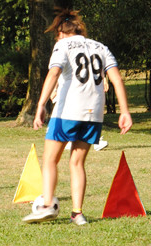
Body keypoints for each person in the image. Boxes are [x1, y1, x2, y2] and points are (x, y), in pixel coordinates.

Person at [22, 9, 132, 225]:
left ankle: (46, 206)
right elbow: (117, 80)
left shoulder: (62, 45)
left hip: (68, 112)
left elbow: (53, 73)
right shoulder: (101, 47)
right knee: (77, 162)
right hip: (94, 114)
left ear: (61, 33)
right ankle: (77, 213)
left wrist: (41, 104)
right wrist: (125, 111)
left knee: (50, 160)